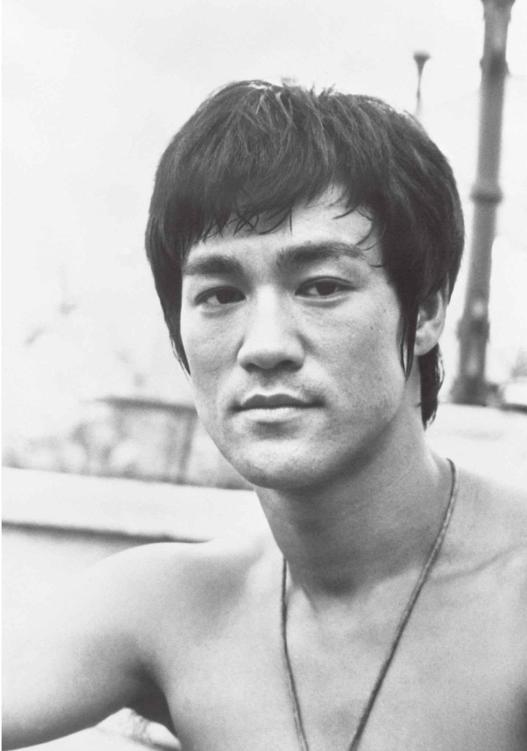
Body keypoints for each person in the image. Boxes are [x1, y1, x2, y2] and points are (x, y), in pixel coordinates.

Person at [4, 80, 527, 751]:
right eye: (220, 295)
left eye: (321, 287)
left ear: (425, 311)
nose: (265, 345)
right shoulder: (173, 610)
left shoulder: (511, 595)